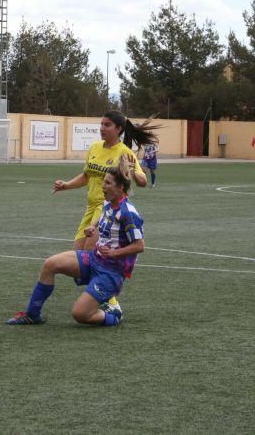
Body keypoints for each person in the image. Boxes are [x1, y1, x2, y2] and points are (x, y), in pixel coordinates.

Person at [8, 155, 145, 326]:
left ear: (120, 187)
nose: (103, 186)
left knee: (80, 315)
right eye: (104, 181)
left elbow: (139, 246)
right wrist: (93, 226)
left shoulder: (129, 213)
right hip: (94, 259)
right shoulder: (109, 203)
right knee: (50, 264)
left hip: (110, 273)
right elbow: (104, 213)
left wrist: (114, 253)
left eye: (108, 183)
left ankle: (114, 316)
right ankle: (32, 314)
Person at [52, 110, 159, 314]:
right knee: (78, 258)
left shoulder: (124, 152)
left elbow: (142, 181)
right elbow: (86, 176)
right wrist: (66, 185)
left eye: (107, 125)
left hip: (107, 209)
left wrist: (134, 171)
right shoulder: (94, 148)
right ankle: (99, 295)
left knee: (92, 256)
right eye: (101, 124)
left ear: (118, 129)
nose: (102, 128)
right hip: (90, 207)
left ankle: (111, 303)